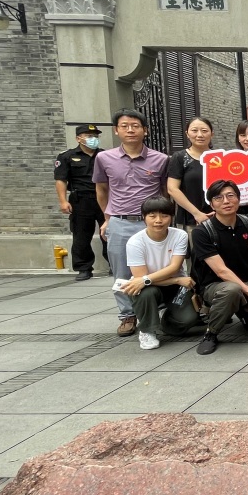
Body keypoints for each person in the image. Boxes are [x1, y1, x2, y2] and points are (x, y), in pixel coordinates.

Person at [93, 109, 169, 336]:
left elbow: (165, 192)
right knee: (121, 271)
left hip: (152, 223)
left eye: (135, 126)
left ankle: (157, 310)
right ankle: (127, 315)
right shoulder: (104, 158)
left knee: (157, 268)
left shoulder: (160, 159)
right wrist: (107, 219)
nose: (130, 130)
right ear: (116, 131)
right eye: (124, 126)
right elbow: (101, 189)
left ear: (145, 130)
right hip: (120, 221)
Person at [191, 179, 248, 355]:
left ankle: (244, 311)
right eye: (218, 198)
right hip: (215, 286)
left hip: (246, 282)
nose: (226, 201)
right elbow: (221, 271)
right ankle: (211, 333)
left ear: (239, 199)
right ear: (211, 204)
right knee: (232, 290)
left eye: (230, 196)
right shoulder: (202, 232)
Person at [120, 194, 201, 349]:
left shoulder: (180, 235)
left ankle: (163, 318)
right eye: (152, 216)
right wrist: (176, 279)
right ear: (144, 217)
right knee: (145, 292)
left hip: (175, 287)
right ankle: (147, 330)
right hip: (148, 287)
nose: (158, 220)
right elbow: (140, 279)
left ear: (171, 217)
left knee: (188, 321)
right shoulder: (135, 242)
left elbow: (174, 267)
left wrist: (173, 281)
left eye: (164, 216)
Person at [54, 123, 105, 281]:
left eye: (95, 136)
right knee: (81, 235)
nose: (93, 139)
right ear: (78, 138)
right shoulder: (67, 157)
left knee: (109, 232)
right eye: (89, 136)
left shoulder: (105, 155)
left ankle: (114, 263)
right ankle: (83, 268)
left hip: (104, 198)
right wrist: (63, 201)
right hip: (81, 199)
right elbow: (61, 180)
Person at [165, 116, 214, 228]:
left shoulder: (220, 157)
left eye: (204, 131)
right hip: (190, 219)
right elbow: (172, 189)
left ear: (212, 134)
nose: (200, 135)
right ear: (187, 134)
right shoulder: (180, 157)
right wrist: (197, 214)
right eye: (194, 130)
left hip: (219, 218)